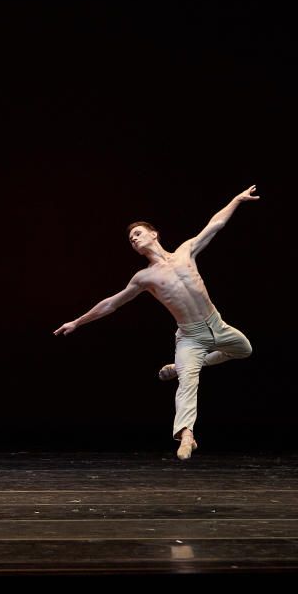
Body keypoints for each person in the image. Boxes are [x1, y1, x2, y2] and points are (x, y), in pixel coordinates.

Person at [54, 185, 259, 459]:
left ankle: (179, 367)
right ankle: (186, 435)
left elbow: (215, 224)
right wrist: (77, 322)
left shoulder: (186, 252)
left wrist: (236, 199)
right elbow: (111, 303)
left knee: (245, 350)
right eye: (130, 239)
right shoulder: (144, 277)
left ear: (154, 234)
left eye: (137, 233)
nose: (134, 239)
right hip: (191, 336)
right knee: (188, 382)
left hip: (218, 324)